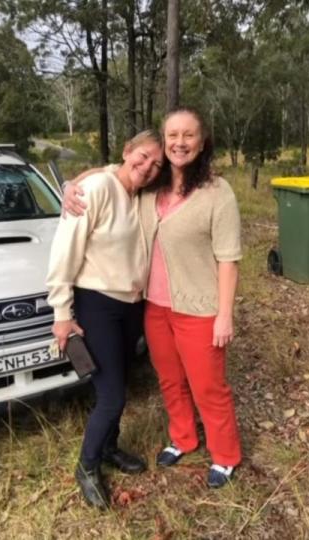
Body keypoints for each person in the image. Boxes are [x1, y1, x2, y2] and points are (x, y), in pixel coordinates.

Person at [63, 107, 243, 488]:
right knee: (170, 380)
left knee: (208, 386)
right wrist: (70, 185)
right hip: (154, 307)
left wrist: (224, 315)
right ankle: (183, 438)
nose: (180, 142)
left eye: (188, 135)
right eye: (172, 135)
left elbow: (228, 259)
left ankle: (225, 454)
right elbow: (113, 171)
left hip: (199, 308)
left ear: (202, 141)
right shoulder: (151, 187)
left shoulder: (216, 192)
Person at [46, 130, 164, 509]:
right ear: (127, 151)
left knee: (122, 382)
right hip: (97, 302)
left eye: (156, 164)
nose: (147, 167)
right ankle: (87, 465)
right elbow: (65, 251)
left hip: (132, 305)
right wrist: (62, 314)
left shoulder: (143, 194)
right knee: (111, 396)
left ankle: (111, 447)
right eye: (143, 156)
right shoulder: (96, 189)